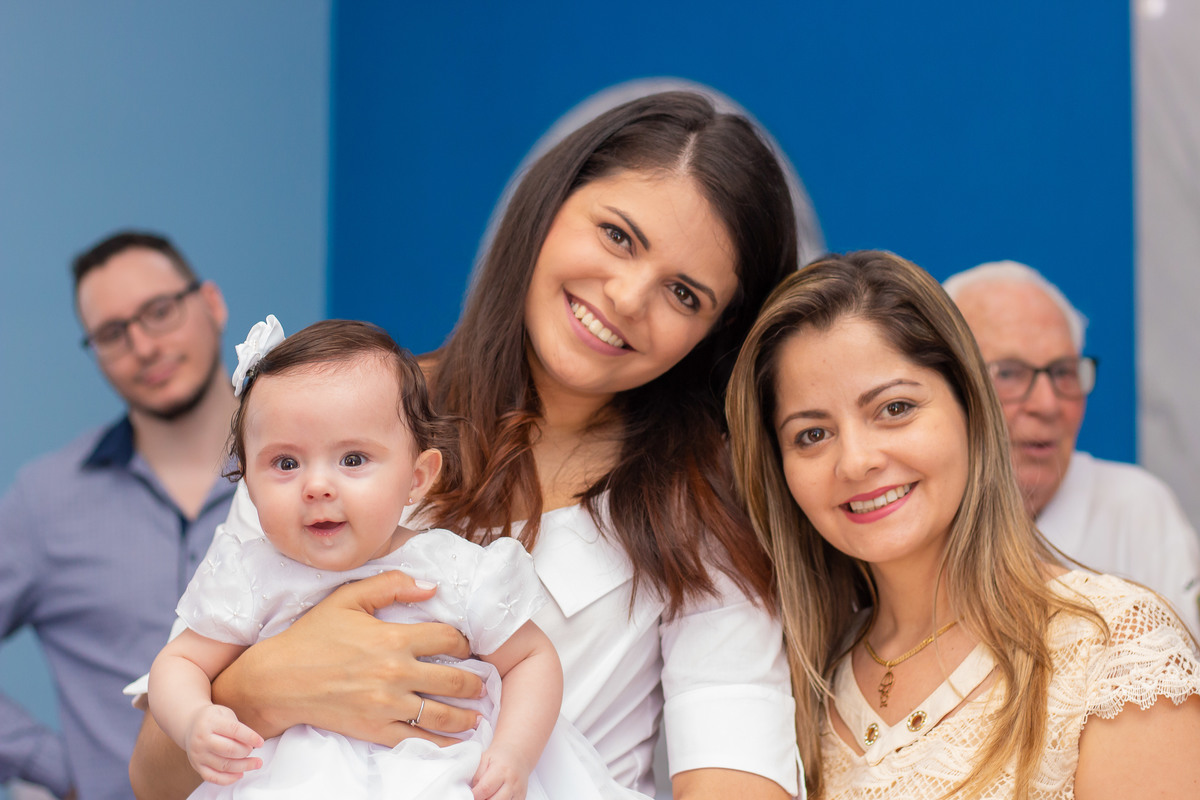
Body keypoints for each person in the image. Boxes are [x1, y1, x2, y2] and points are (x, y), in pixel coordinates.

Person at [129, 90, 802, 800]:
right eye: (618, 236)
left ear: (716, 333)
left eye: (685, 294)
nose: (630, 295)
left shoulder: (706, 512)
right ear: (548, 207)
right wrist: (272, 686)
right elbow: (153, 776)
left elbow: (737, 773)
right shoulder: (332, 424)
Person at [726, 250, 1200, 798]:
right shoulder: (797, 684)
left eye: (895, 408)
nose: (855, 461)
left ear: (972, 409)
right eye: (811, 434)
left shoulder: (1117, 651)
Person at [150, 316, 635, 800]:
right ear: (247, 481)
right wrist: (195, 718)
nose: (317, 486)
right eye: (286, 463)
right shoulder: (251, 577)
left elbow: (531, 658)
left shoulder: (451, 569)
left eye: (353, 459)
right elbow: (178, 664)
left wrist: (514, 752)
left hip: (440, 773)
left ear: (417, 478)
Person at [0, 231, 237, 800]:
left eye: (159, 312)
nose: (144, 347)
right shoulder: (45, 500)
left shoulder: (315, 476)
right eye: (112, 334)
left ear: (211, 304)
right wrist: (58, 766)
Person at [943, 260, 1200, 637]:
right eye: (1010, 373)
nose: (1047, 404)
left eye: (1064, 372)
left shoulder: (1137, 509)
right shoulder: (912, 520)